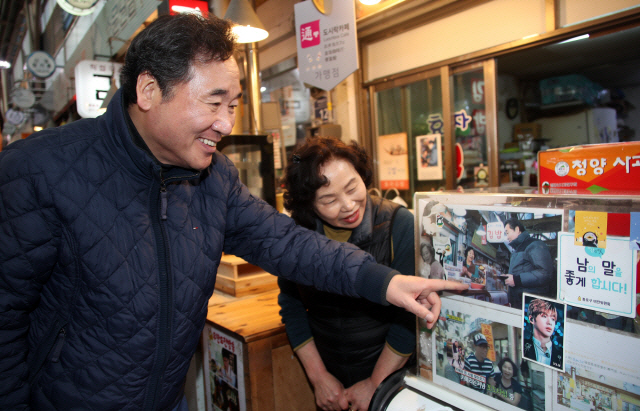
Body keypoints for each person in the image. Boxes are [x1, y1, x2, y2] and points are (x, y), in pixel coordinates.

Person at [0, 13, 468, 411]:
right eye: (213, 102)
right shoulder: (37, 172)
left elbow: (287, 244)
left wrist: (384, 281)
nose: (226, 124)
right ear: (147, 91)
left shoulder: (213, 177)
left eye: (234, 104)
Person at [278, 137, 415, 411]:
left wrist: (376, 383)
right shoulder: (296, 234)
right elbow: (292, 307)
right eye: (329, 199)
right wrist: (319, 378)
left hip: (393, 377)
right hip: (330, 380)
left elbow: (410, 316)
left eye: (352, 188)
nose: (349, 205)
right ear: (309, 205)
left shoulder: (398, 224)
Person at [503, 218, 555, 309]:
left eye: (507, 233)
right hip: (519, 302)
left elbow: (545, 273)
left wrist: (516, 280)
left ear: (517, 230)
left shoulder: (535, 245)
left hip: (531, 305)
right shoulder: (517, 250)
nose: (507, 237)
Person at [523, 298, 563, 369]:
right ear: (531, 319)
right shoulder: (524, 347)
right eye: (544, 316)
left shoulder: (560, 355)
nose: (549, 322)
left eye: (552, 319)